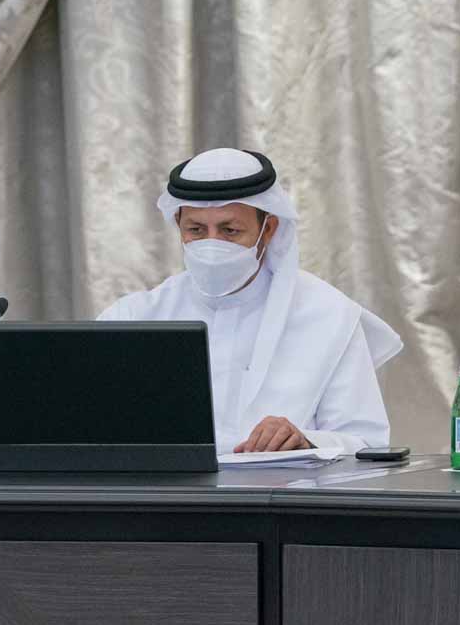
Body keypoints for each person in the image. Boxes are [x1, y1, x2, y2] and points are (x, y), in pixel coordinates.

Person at [98, 147, 402, 453]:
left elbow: (367, 444)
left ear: (268, 229)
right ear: (179, 225)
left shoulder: (329, 316)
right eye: (196, 230)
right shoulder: (133, 318)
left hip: (288, 484)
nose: (212, 245)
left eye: (230, 230)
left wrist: (307, 440)